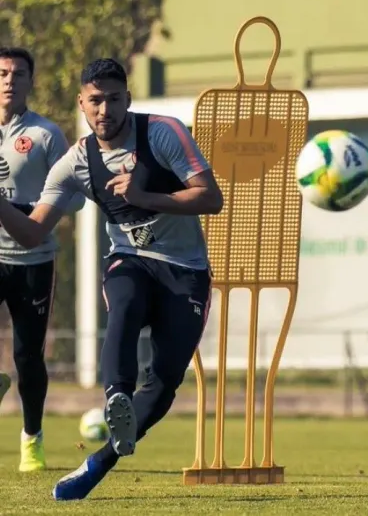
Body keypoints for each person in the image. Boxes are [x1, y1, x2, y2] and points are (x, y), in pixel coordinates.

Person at [0, 57, 223, 500]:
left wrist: (145, 196)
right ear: (82, 103)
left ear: (128, 99)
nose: (106, 110)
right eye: (96, 101)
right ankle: (116, 396)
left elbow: (211, 197)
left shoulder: (163, 131)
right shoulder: (75, 162)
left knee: (163, 385)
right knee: (124, 301)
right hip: (131, 258)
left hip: (187, 271)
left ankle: (99, 461)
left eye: (115, 99)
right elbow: (30, 232)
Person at [0, 46, 86, 472]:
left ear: (31, 81)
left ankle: (31, 438)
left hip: (33, 260)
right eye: (2, 72)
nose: (9, 80)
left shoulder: (46, 134)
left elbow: (74, 199)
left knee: (27, 357)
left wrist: (31, 208)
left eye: (17, 73)